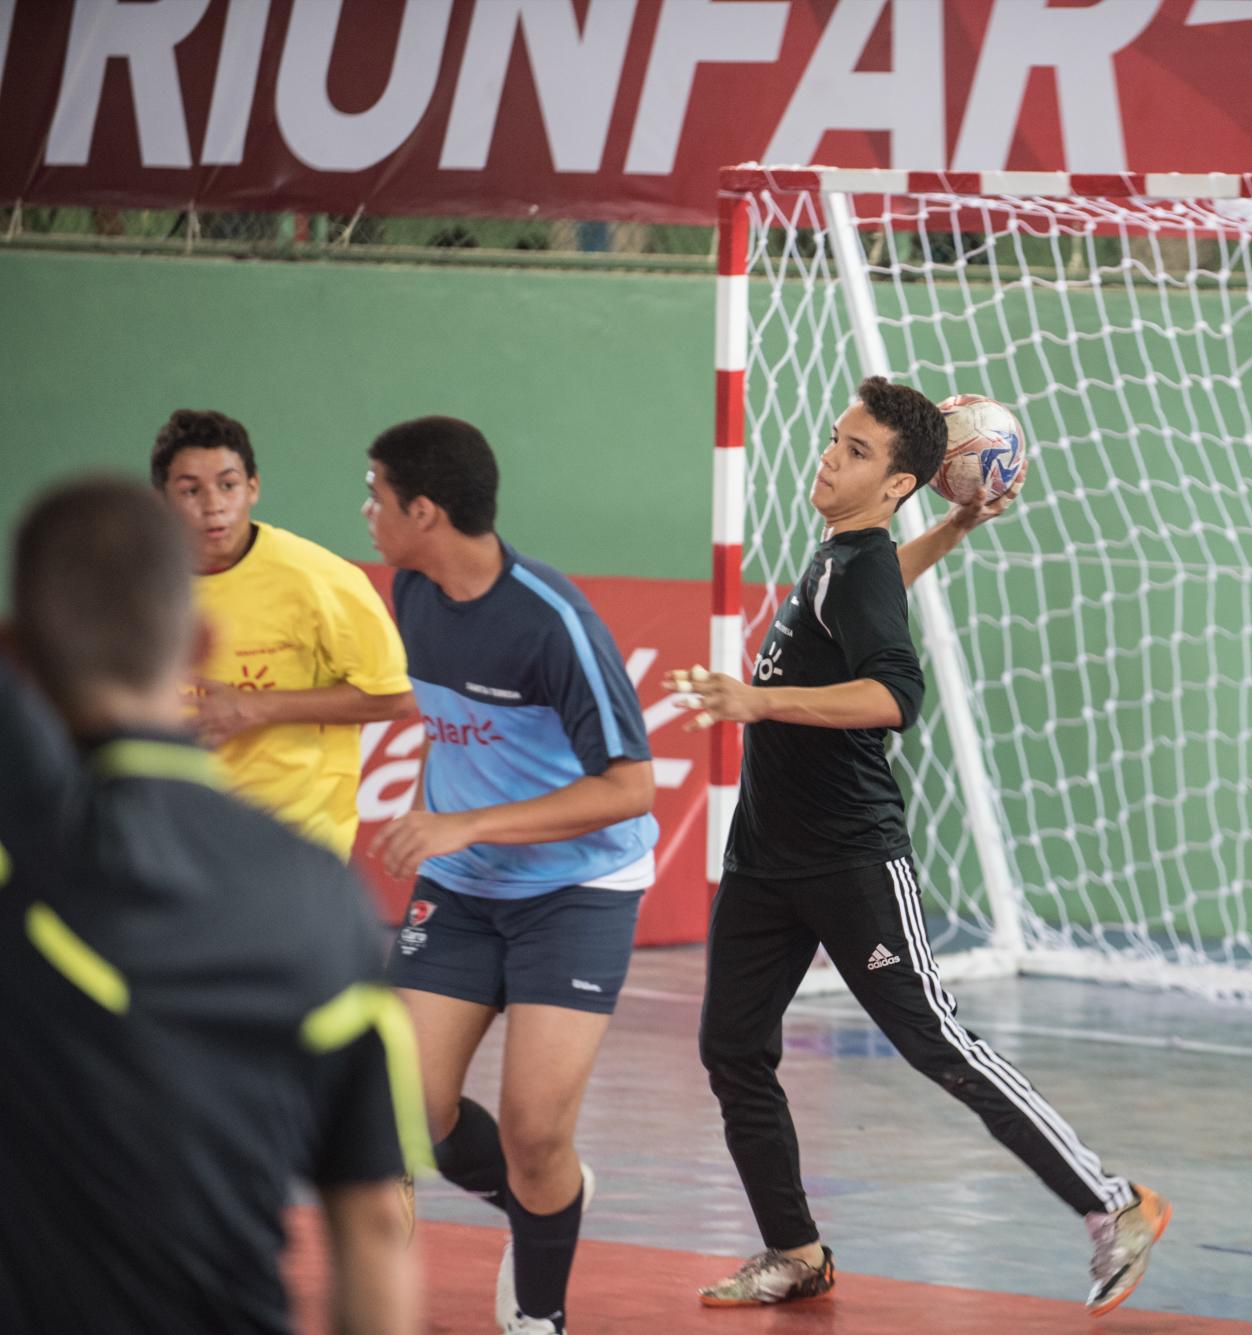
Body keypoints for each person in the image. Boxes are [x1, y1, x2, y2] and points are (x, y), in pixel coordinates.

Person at [673, 377, 1170, 1316]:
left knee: (937, 1042)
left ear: (899, 484)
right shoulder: (844, 560)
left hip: (851, 859)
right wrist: (955, 531)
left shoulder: (854, 564)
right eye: (835, 439)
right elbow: (872, 595)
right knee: (733, 1046)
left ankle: (1117, 1204)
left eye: (856, 452)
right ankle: (795, 1251)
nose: (829, 455)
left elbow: (896, 695)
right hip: (766, 859)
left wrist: (759, 700)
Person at [0, 477, 425, 1333]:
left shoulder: (30, 859)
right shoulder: (321, 893)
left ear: (17, 649)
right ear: (199, 641)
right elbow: (376, 1223)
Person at [363, 417, 658, 1335]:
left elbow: (631, 785)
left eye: (375, 495)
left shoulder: (553, 622)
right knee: (409, 1108)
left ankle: (540, 1313)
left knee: (537, 1131)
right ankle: (542, 1205)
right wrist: (444, 824)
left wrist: (467, 822)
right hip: (460, 889)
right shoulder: (409, 588)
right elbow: (458, 728)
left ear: (426, 510)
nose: (366, 512)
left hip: (577, 892)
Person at [153, 408, 414, 858]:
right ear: (162, 499)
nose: (214, 504)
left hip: (296, 843)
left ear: (253, 487)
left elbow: (397, 696)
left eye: (228, 484)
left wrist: (256, 707)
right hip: (179, 840)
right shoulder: (139, 586)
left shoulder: (320, 579)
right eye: (191, 490)